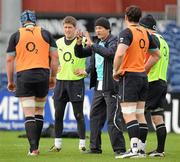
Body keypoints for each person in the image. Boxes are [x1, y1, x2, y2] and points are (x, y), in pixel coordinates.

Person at [6, 10, 59, 156]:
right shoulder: (46, 34)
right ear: (35, 21)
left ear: (22, 22)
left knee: (29, 113)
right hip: (42, 74)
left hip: (24, 75)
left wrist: (10, 81)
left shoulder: (16, 35)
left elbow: (9, 60)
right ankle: (36, 146)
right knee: (39, 112)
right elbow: (55, 57)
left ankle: (33, 148)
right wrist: (52, 77)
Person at [74, 17, 126, 158]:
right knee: (95, 116)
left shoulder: (114, 41)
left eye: (100, 28)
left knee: (112, 119)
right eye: (96, 28)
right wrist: (79, 44)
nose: (97, 30)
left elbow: (109, 54)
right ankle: (95, 147)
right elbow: (80, 53)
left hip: (111, 86)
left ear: (108, 29)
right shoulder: (97, 43)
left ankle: (120, 149)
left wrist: (92, 44)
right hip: (99, 86)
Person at [113, 6, 160, 158]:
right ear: (139, 18)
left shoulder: (127, 32)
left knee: (128, 114)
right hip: (142, 77)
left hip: (130, 76)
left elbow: (120, 53)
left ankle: (133, 150)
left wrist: (115, 70)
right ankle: (140, 150)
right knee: (140, 114)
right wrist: (144, 69)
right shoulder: (146, 33)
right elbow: (156, 55)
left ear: (126, 17)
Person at [49, 16, 87, 152]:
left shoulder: (81, 42)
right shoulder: (58, 42)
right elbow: (52, 59)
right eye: (65, 27)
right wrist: (54, 67)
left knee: (79, 115)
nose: (67, 30)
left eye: (70, 27)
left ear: (75, 28)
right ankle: (57, 145)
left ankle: (82, 145)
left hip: (76, 82)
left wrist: (85, 71)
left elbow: (92, 56)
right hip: (60, 82)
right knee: (58, 115)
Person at [139, 14, 169, 157]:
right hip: (162, 81)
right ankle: (160, 150)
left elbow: (153, 58)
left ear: (145, 28)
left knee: (138, 113)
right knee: (157, 116)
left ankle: (139, 149)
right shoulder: (164, 41)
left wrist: (142, 71)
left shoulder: (151, 39)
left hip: (152, 81)